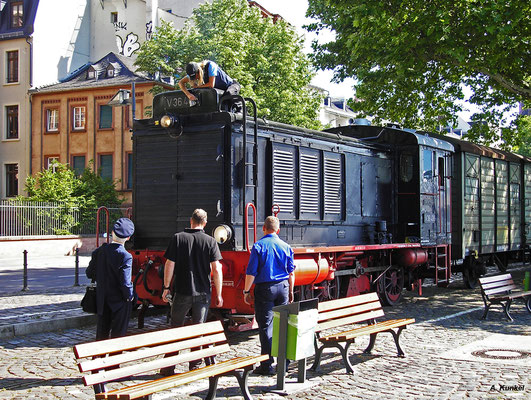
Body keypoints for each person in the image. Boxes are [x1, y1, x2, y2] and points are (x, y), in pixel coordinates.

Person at [161, 208, 223, 374]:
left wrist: (166, 287)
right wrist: (219, 293)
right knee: (198, 329)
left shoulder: (178, 238)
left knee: (176, 328)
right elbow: (216, 269)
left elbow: (169, 264)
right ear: (205, 223)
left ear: (191, 220)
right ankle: (194, 364)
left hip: (182, 291)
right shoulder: (210, 241)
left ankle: (169, 366)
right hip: (203, 293)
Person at [243, 216, 295, 376]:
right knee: (283, 324)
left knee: (265, 325)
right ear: (278, 230)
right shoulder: (286, 246)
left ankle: (267, 365)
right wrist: (291, 290)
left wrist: (246, 291)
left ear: (263, 229)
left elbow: (251, 272)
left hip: (265, 289)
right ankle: (284, 362)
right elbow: (291, 272)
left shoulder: (258, 246)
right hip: (283, 287)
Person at [86, 217, 135, 341]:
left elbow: (89, 273)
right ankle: (114, 359)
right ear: (128, 237)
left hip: (102, 300)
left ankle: (99, 358)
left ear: (112, 233)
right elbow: (125, 282)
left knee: (101, 334)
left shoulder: (99, 252)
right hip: (119, 301)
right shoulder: (126, 256)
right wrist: (130, 296)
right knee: (118, 335)